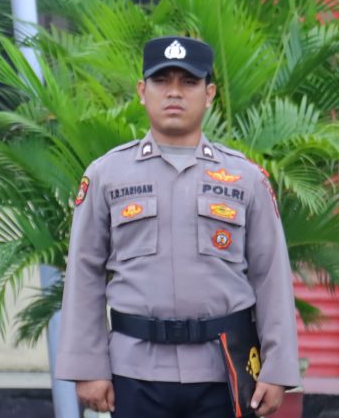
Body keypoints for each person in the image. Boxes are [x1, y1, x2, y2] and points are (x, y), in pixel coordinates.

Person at [57, 36, 300, 418]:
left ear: (209, 94)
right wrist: (87, 367)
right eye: (161, 81)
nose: (174, 93)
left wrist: (278, 368)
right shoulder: (107, 175)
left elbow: (271, 275)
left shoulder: (245, 178)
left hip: (224, 372)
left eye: (188, 82)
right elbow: (84, 273)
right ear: (142, 91)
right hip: (134, 371)